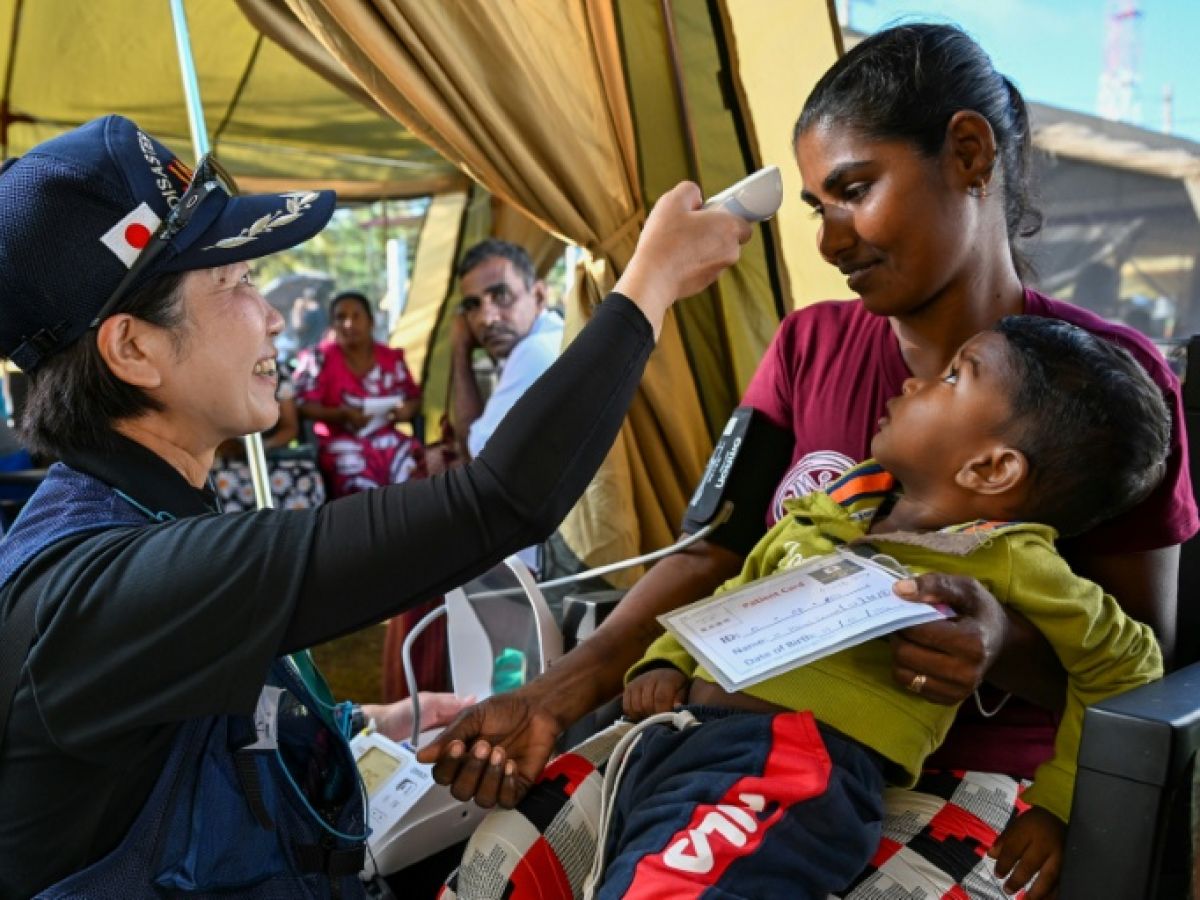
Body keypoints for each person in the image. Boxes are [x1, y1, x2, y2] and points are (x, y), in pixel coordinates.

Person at [419, 21, 1198, 884]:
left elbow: (1140, 666)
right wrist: (552, 696)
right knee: (497, 862)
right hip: (723, 738)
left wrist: (997, 638)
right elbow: (712, 553)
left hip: (971, 775)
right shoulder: (806, 347)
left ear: (969, 155)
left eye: (855, 190)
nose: (830, 243)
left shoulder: (1100, 390)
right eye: (818, 208)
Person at [0, 114, 750, 897]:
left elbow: (169, 732)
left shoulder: (139, 509)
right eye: (233, 282)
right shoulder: (101, 585)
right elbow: (497, 500)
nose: (272, 313)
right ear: (132, 350)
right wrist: (651, 281)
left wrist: (361, 726)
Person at [606, 316, 1166, 899]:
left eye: (952, 378)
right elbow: (743, 588)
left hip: (792, 768)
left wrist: (1058, 800)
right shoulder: (841, 503)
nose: (913, 383)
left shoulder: (1005, 556)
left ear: (991, 468)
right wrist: (667, 658)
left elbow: (1127, 662)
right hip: (674, 739)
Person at [443, 239, 565, 573]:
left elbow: (476, 461)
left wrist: (459, 352)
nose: (486, 318)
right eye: (472, 305)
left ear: (539, 296)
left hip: (551, 565)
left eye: (501, 296)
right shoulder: (552, 335)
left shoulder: (537, 350)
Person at [294, 290, 427, 498]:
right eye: (341, 317)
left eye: (356, 316)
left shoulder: (391, 358)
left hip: (389, 439)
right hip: (340, 443)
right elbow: (302, 405)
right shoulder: (318, 359)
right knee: (359, 484)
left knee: (419, 469)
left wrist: (408, 409)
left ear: (371, 322)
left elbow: (414, 397)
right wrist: (341, 415)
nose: (349, 324)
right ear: (332, 325)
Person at [211, 368, 326, 511]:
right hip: (224, 461)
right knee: (218, 484)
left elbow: (290, 428)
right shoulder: (213, 371)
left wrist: (263, 446)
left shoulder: (275, 370)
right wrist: (222, 444)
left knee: (305, 476)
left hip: (268, 455)